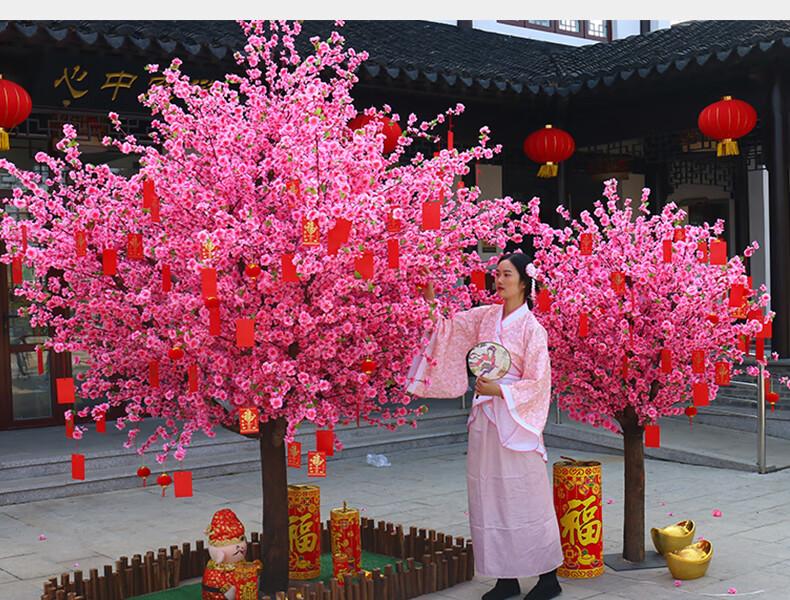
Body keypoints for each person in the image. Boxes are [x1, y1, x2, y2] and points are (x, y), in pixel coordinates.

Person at [406, 253, 563, 600]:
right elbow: (446, 329)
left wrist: (501, 389)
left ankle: (547, 577)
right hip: (485, 418)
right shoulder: (485, 317)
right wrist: (429, 291)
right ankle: (504, 577)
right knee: (487, 496)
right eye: (497, 274)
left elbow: (539, 382)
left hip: (516, 421)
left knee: (527, 497)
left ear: (524, 282)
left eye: (507, 274)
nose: (499, 280)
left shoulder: (532, 329)